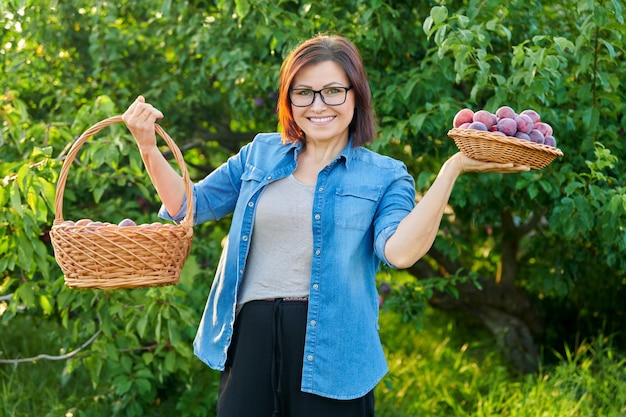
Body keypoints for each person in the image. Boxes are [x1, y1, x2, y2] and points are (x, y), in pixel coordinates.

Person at [122, 34, 528, 417]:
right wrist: (147, 145)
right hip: (251, 342)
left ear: (356, 95)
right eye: (304, 93)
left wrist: (452, 169)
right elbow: (187, 206)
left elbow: (400, 252)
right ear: (289, 100)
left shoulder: (386, 176)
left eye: (333, 91)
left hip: (334, 351)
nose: (319, 105)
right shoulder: (259, 154)